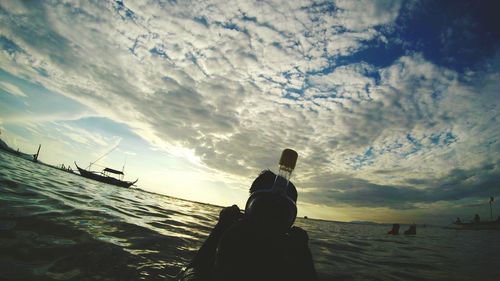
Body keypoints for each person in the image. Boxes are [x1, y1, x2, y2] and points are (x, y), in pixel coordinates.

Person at [183, 170, 317, 281]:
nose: (268, 220)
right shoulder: (234, 238)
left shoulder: (231, 237)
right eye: (263, 208)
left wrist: (220, 229)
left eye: (279, 213)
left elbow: (193, 271)